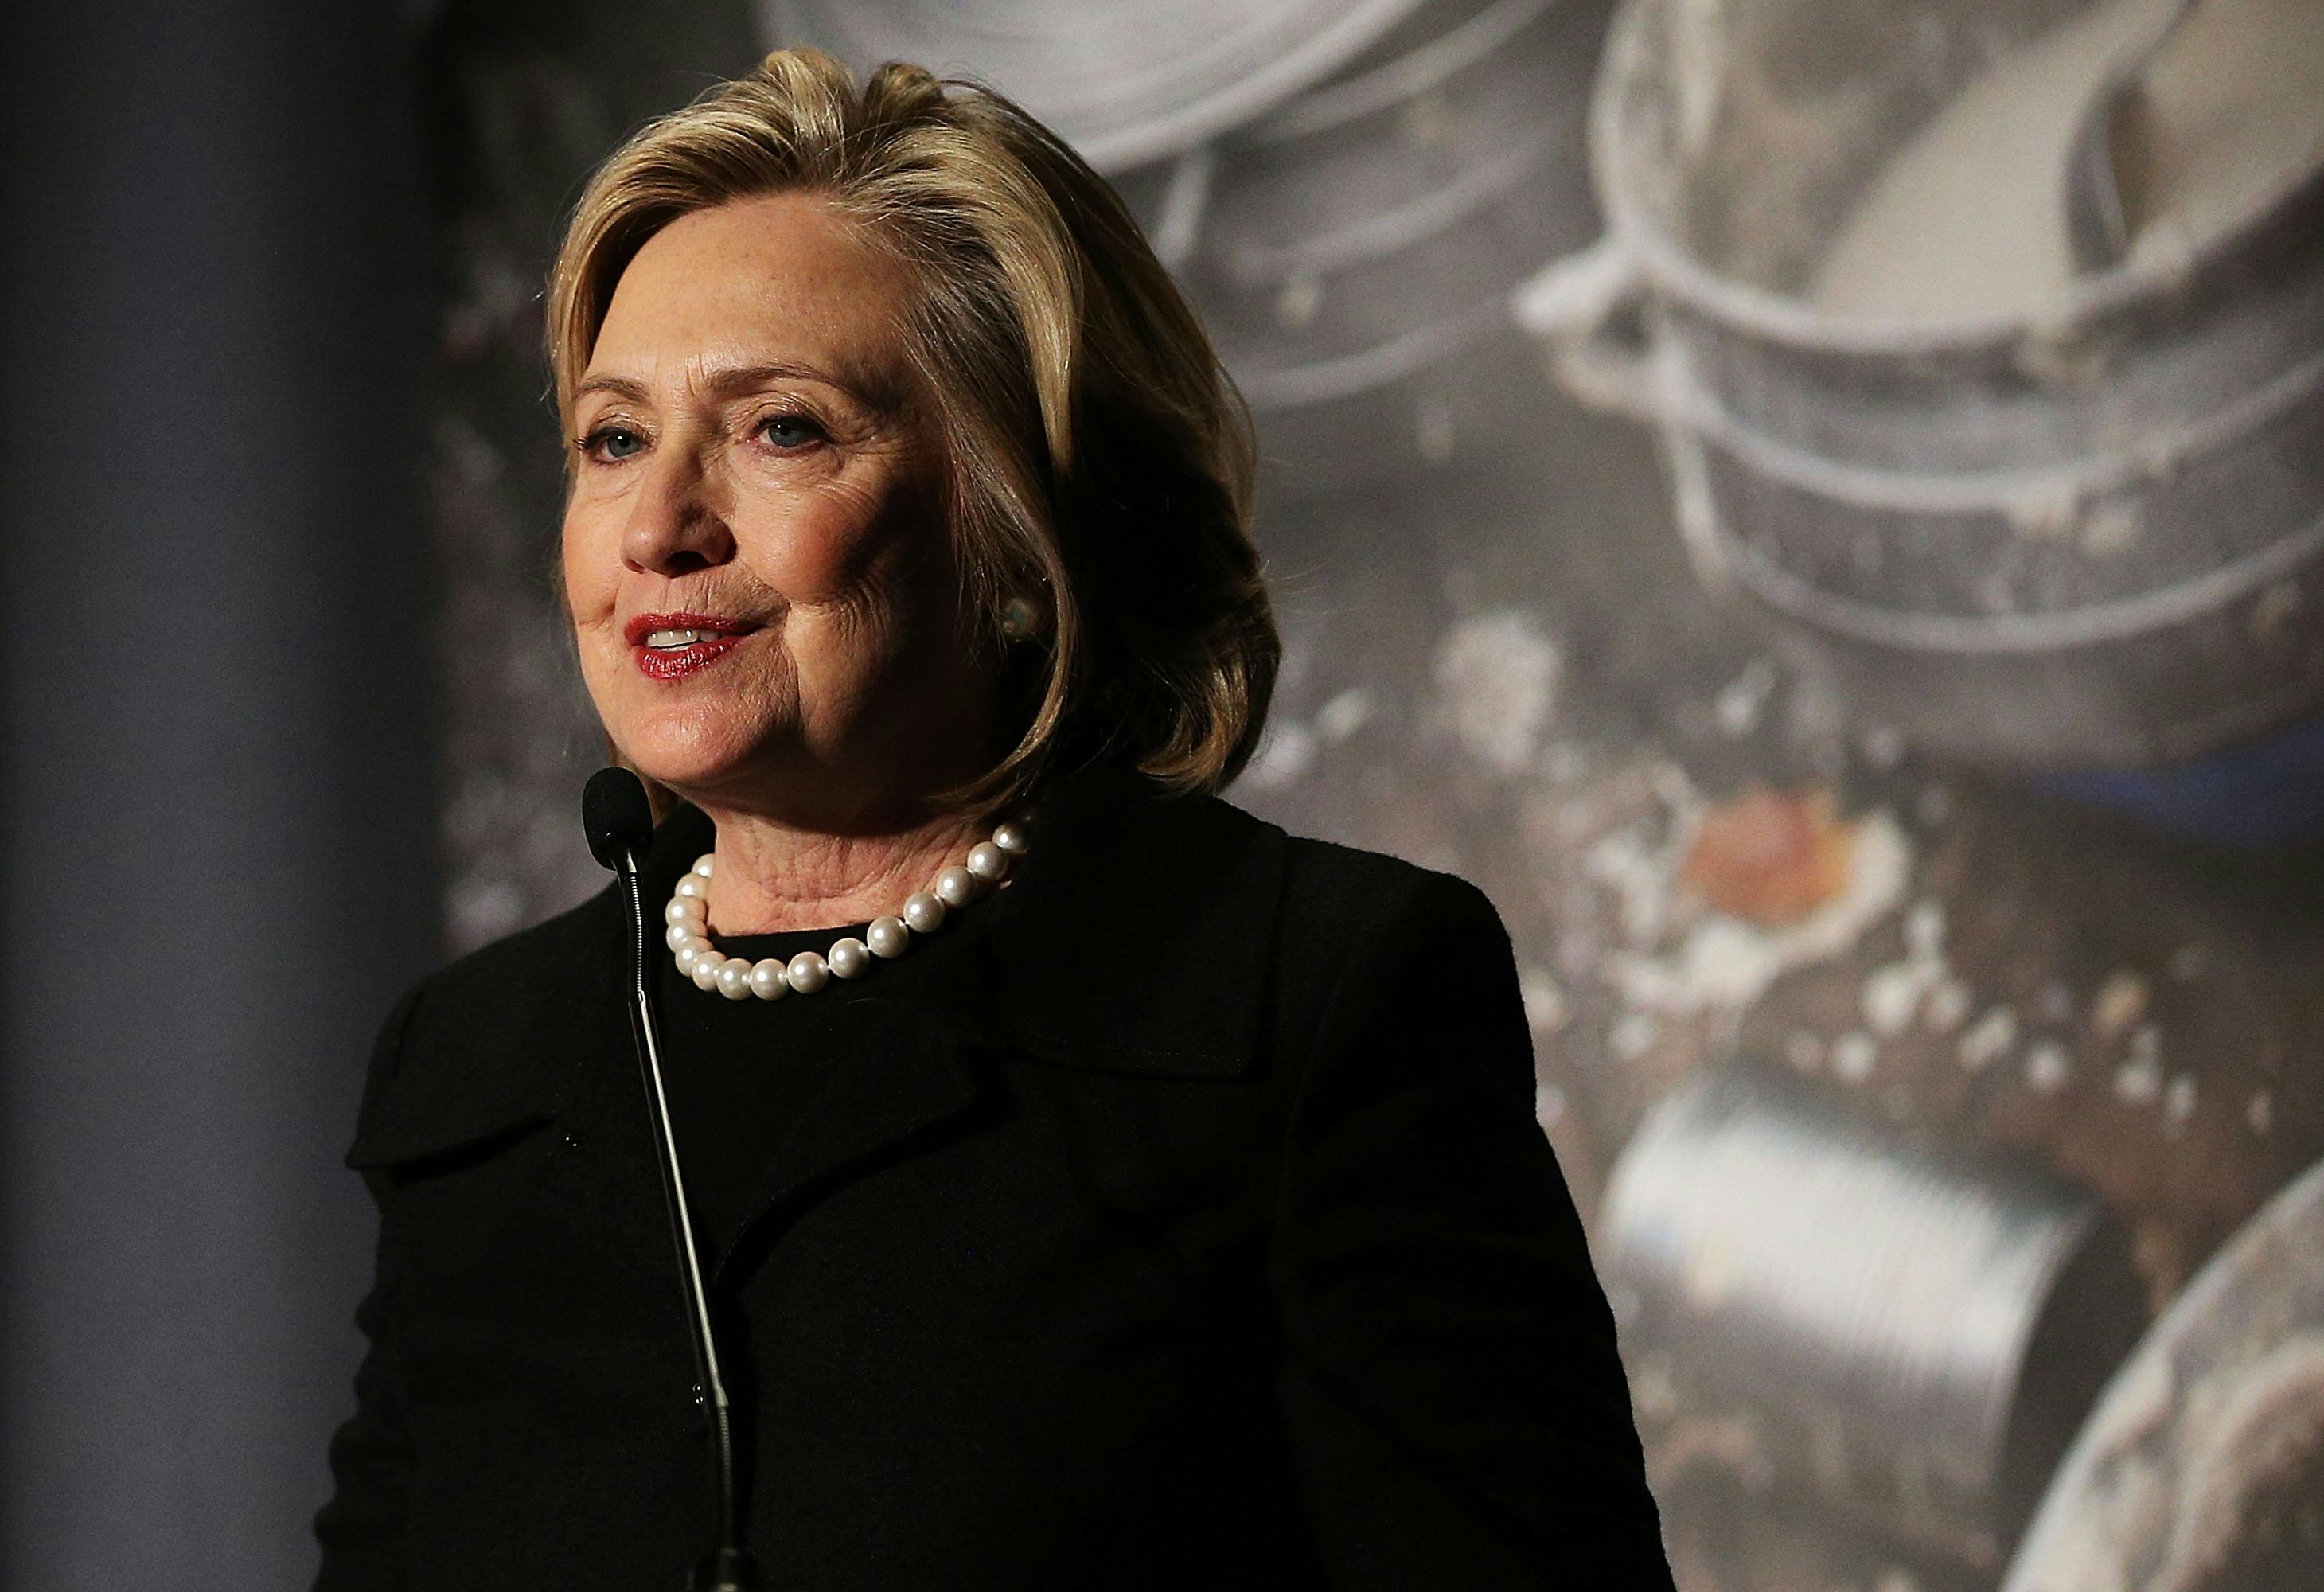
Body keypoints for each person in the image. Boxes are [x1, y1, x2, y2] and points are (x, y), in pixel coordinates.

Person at [311, 48, 1672, 1590]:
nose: (659, 527)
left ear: (1021, 527)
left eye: (782, 430)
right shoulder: (480, 1067)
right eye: (614, 440)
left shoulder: (1306, 1004)